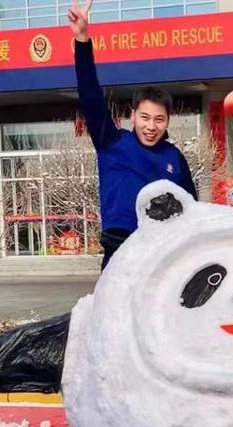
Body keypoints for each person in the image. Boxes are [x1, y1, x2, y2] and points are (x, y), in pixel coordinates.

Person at [68, 0, 198, 268]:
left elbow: (192, 208)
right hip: (119, 248)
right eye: (145, 117)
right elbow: (90, 95)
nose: (151, 126)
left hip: (162, 252)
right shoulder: (112, 142)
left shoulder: (173, 157)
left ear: (167, 121)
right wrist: (82, 40)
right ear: (132, 116)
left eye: (159, 119)